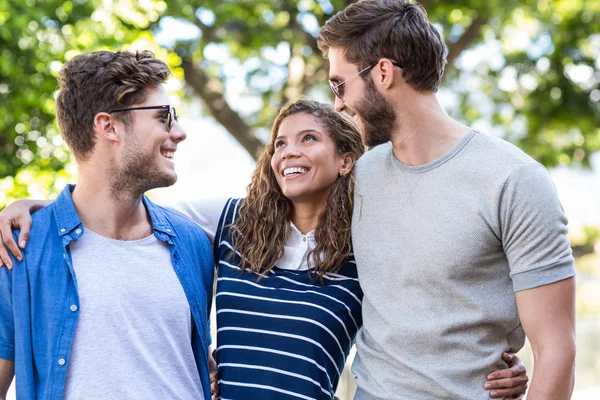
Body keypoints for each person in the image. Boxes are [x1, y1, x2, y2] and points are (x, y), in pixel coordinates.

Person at [0, 98, 530, 399]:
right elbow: (114, 207)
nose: (288, 153)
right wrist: (37, 204)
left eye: (307, 140)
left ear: (347, 159)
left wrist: (500, 362)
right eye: (280, 142)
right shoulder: (228, 223)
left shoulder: (369, 250)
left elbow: (433, 316)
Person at [316, 0, 576, 399]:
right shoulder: (360, 177)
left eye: (339, 84)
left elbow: (556, 349)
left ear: (383, 72)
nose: (338, 104)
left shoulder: (513, 180)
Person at [0, 50, 214, 400]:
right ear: (108, 126)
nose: (180, 132)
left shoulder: (193, 243)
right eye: (165, 116)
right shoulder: (20, 248)